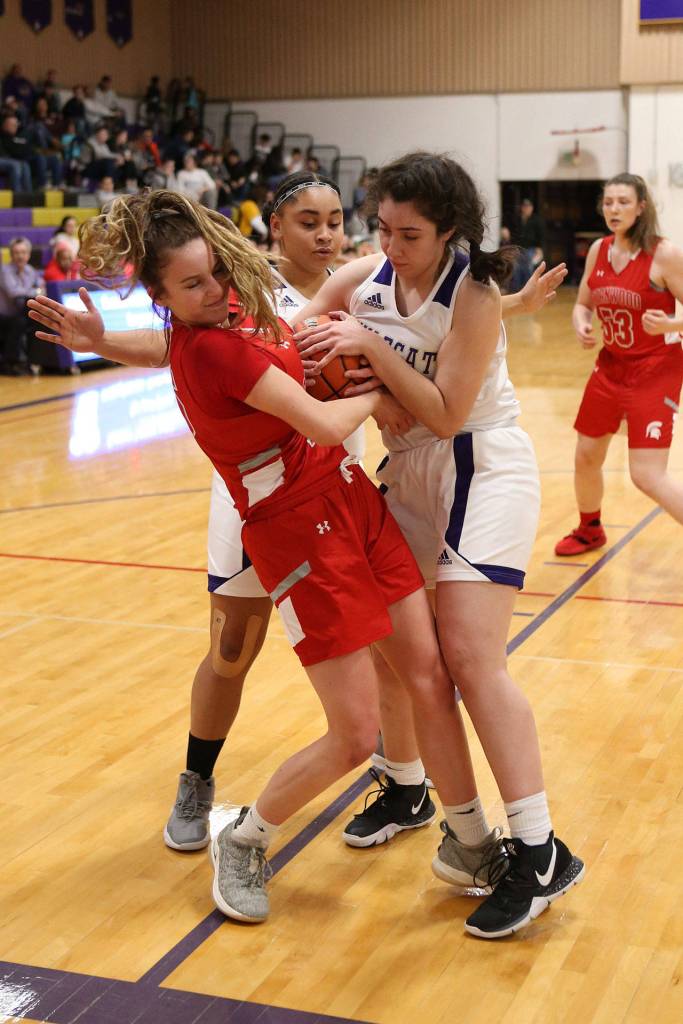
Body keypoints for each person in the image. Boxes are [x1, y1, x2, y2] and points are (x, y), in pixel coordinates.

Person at [30, 188, 481, 927]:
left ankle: (466, 834)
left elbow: (203, 346)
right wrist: (376, 393)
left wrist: (486, 300)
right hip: (295, 528)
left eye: (215, 272)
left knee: (425, 672)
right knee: (344, 728)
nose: (214, 290)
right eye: (193, 284)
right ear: (161, 297)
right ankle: (243, 837)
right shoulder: (213, 347)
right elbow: (325, 423)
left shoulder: (234, 304)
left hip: (349, 497)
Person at [293, 151, 583, 939]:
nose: (390, 245)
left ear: (450, 230)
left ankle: (538, 849)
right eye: (382, 228)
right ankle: (448, 822)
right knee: (400, 656)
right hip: (409, 472)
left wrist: (371, 357)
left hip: (479, 464)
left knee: (470, 658)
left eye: (409, 234)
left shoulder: (474, 294)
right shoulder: (365, 277)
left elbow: (448, 412)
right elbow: (288, 337)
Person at [555, 173, 683, 556]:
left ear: (641, 207)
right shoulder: (599, 249)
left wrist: (671, 324)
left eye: (623, 202)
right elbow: (582, 303)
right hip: (610, 367)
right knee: (586, 455)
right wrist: (581, 323)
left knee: (646, 475)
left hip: (656, 369)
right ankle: (589, 529)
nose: (614, 209)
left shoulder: (664, 254)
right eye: (608, 202)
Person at [0, 237, 43, 374]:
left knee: (37, 320)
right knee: (20, 322)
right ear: (11, 255)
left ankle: (37, 361)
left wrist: (34, 291)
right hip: (5, 316)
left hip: (23, 312)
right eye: (17, 253)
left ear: (28, 255)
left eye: (23, 252)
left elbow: (42, 287)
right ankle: (10, 362)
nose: (20, 256)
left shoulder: (30, 270)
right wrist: (34, 291)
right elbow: (14, 293)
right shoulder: (4, 271)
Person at [508, 197, 544, 293]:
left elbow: (540, 236)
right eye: (524, 206)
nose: (526, 208)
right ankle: (517, 290)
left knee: (528, 266)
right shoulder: (517, 219)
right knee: (516, 268)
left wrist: (539, 249)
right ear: (522, 208)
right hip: (518, 248)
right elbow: (513, 234)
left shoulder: (536, 220)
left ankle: (528, 290)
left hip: (531, 248)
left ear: (532, 208)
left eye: (528, 206)